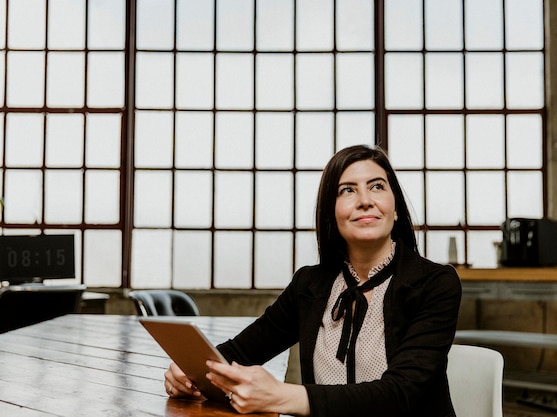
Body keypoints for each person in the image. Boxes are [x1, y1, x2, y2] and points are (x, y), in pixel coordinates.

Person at [164, 144, 462, 417]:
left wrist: (280, 396)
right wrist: (191, 372)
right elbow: (239, 353)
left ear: (395, 208)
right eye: (347, 190)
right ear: (331, 213)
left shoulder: (435, 283)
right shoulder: (310, 285)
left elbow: (400, 394)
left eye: (377, 186)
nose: (365, 201)